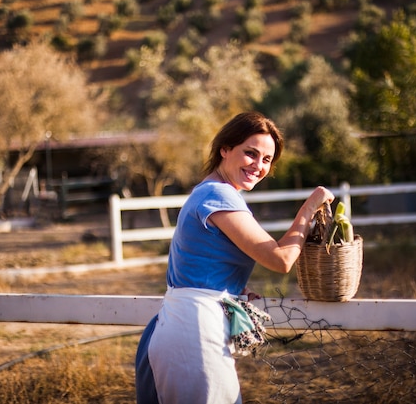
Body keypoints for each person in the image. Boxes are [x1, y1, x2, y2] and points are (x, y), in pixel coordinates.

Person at [135, 111, 334, 404]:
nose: (259, 166)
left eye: (267, 160)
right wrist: (309, 207)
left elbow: (198, 261)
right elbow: (281, 260)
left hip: (189, 326)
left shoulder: (208, 192)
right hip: (195, 331)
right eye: (250, 154)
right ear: (225, 149)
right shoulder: (218, 195)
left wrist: (231, 290)